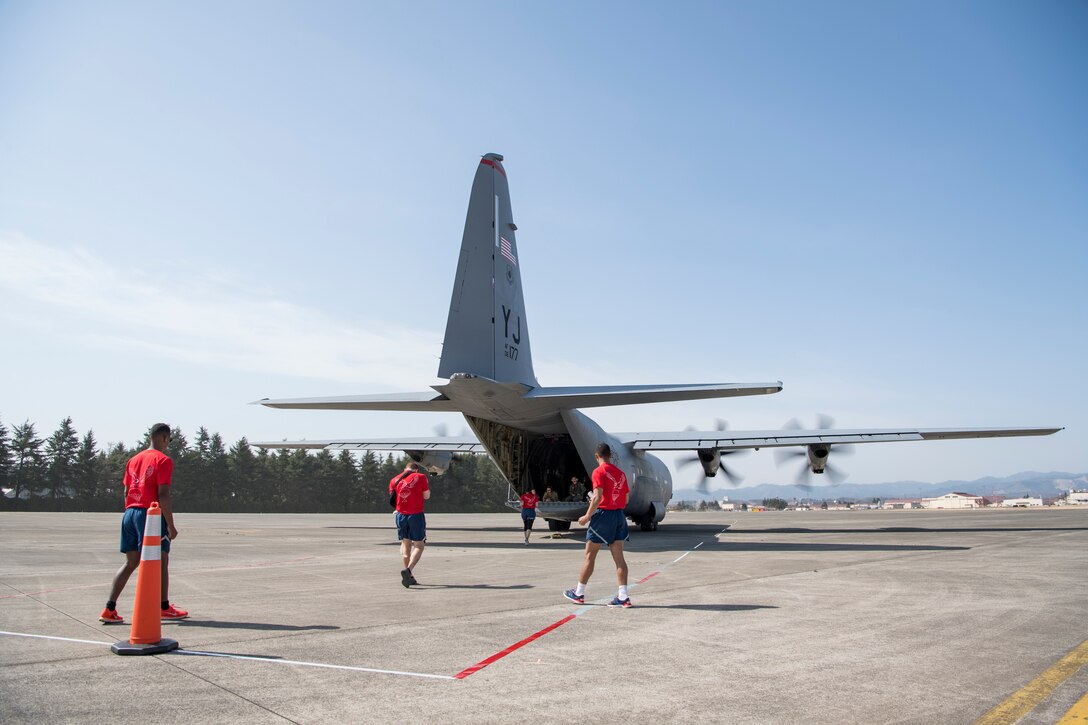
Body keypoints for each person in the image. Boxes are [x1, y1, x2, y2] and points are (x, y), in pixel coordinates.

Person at [99, 423, 188, 623]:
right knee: (163, 558)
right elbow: (163, 493)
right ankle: (163, 606)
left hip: (129, 512)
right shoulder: (163, 460)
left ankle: (109, 608)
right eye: (169, 440)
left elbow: (125, 491)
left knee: (131, 562)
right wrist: (171, 525)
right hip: (149, 514)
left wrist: (131, 512)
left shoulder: (133, 460)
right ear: (164, 438)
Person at [563, 443, 632, 608]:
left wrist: (587, 516)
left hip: (603, 516)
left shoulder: (598, 472)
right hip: (619, 515)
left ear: (597, 456)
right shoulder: (621, 474)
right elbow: (627, 498)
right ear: (610, 455)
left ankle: (579, 593)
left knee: (590, 556)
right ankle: (623, 597)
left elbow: (597, 497)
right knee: (619, 559)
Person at [390, 461, 430, 587]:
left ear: (405, 469)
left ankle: (409, 577)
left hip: (400, 515)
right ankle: (408, 570)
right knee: (419, 545)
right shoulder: (421, 477)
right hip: (416, 514)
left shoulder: (394, 480)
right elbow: (426, 496)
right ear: (416, 470)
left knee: (405, 543)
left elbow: (393, 498)